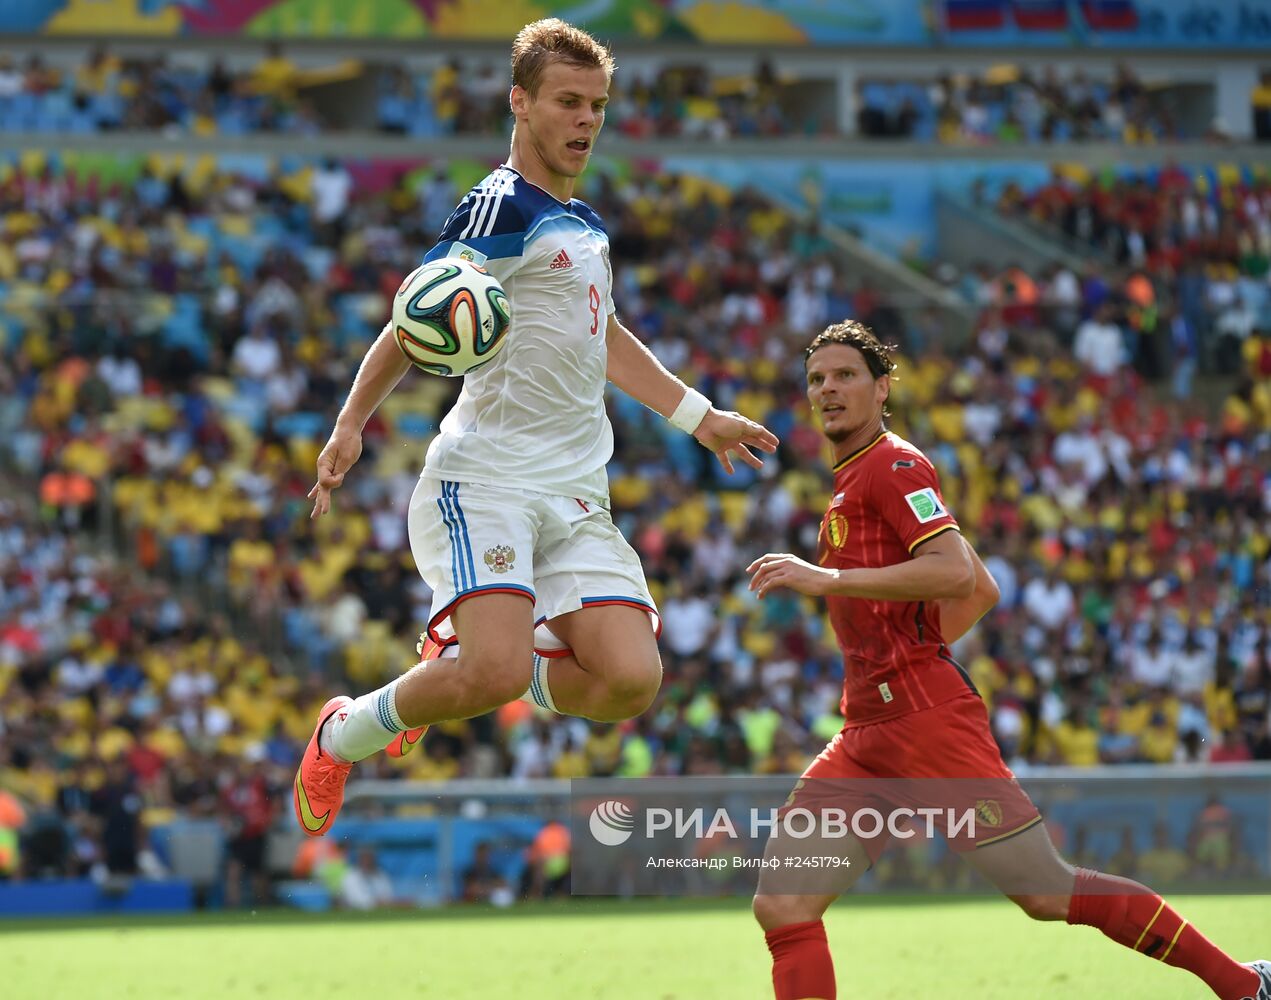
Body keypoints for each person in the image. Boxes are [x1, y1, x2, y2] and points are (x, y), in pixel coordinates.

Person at [294, 18, 776, 838]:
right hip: (486, 481)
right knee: (488, 670)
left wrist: (698, 416)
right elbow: (415, 317)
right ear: (520, 103)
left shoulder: (584, 224)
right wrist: (351, 423)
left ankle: (495, 667)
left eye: (596, 105)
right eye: (566, 102)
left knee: (629, 681)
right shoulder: (497, 207)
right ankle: (345, 731)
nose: (585, 120)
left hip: (575, 490)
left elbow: (605, 337)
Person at [745, 320, 1270, 1000]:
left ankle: (1241, 986)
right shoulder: (852, 480)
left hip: (926, 726)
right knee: (784, 902)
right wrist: (912, 650)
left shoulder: (892, 465)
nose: (827, 389)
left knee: (1045, 891)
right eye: (816, 379)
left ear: (881, 389)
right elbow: (983, 589)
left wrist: (834, 585)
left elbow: (955, 570)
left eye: (844, 375)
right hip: (869, 734)